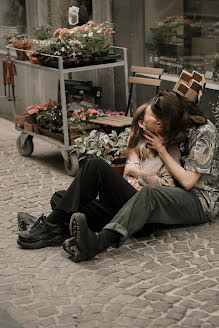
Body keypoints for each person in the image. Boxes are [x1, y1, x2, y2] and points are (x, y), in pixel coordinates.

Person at [60, 90, 219, 263]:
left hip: (200, 200)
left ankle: (99, 241)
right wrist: (134, 162)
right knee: (61, 196)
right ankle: (58, 226)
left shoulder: (204, 132)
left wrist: (161, 150)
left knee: (150, 193)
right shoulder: (174, 121)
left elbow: (188, 182)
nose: (160, 126)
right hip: (168, 192)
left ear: (173, 118)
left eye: (162, 122)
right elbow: (136, 135)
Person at [17, 100, 180, 249]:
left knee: (96, 165)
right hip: (119, 211)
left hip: (142, 216)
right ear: (142, 124)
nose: (159, 119)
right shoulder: (136, 146)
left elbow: (168, 190)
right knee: (60, 197)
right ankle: (59, 230)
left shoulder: (169, 149)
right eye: (155, 115)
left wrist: (138, 172)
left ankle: (49, 226)